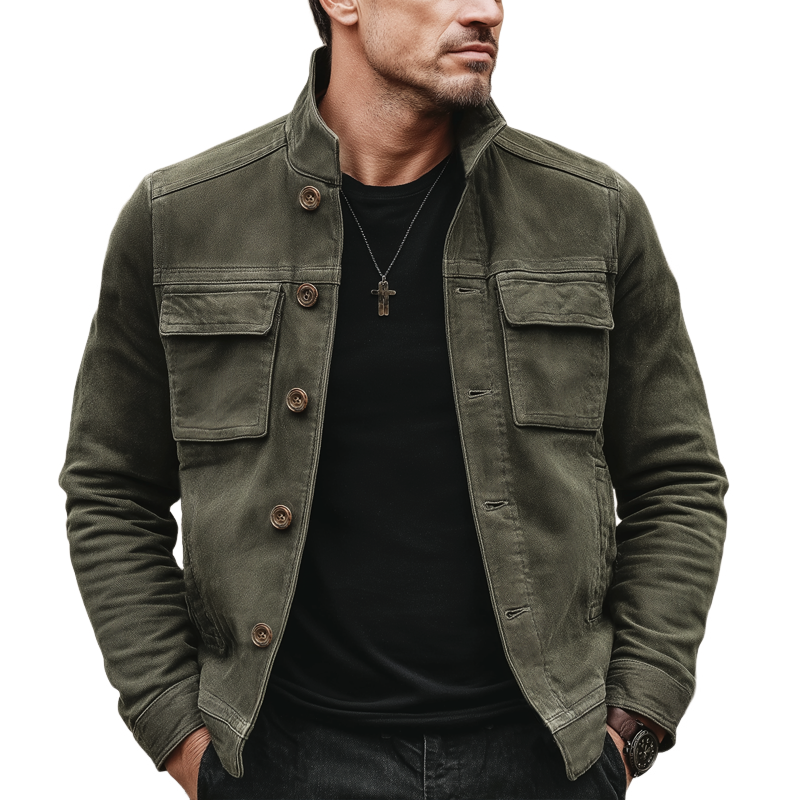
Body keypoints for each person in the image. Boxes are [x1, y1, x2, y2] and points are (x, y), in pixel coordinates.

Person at [60, 1, 727, 798]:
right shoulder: (182, 221)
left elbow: (676, 479)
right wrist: (179, 732)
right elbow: (111, 490)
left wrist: (631, 722)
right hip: (287, 760)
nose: (487, 11)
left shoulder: (592, 215)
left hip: (542, 758)